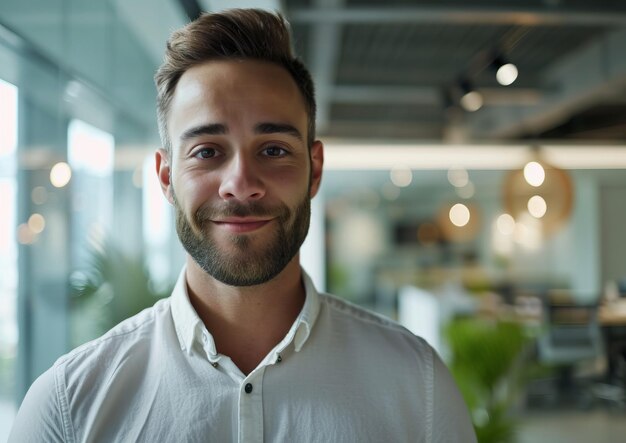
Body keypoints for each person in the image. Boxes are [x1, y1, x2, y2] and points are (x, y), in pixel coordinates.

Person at [10, 9, 476, 442]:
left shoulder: (418, 386)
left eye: (273, 149)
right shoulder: (69, 406)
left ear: (314, 169)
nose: (241, 184)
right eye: (207, 151)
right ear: (166, 177)